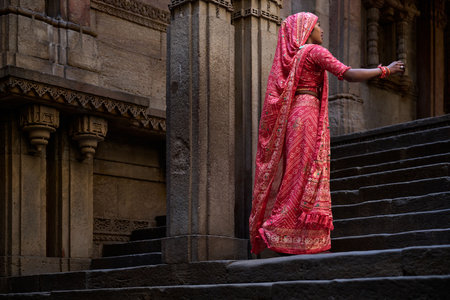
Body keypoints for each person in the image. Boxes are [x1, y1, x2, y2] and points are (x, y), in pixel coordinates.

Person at [249, 12, 405, 256]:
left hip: (294, 118)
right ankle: (277, 227)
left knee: (295, 174)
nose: (321, 29)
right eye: (317, 24)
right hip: (307, 115)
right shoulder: (313, 52)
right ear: (306, 29)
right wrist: (386, 70)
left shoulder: (293, 56)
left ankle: (288, 232)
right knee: (303, 173)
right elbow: (347, 73)